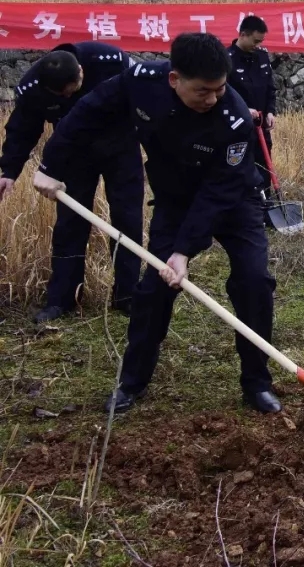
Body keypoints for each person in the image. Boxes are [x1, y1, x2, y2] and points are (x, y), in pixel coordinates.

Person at [32, 33, 281, 415]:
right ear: (174, 79)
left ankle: (257, 384)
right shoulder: (140, 81)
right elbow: (87, 113)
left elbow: (219, 192)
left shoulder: (234, 119)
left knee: (253, 282)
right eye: (203, 91)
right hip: (174, 200)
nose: (213, 98)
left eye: (219, 89)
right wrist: (50, 167)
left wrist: (183, 251)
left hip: (232, 202)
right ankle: (131, 382)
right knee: (153, 292)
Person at [0, 42, 143, 323]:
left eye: (71, 89)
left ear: (81, 71)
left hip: (120, 148)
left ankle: (126, 295)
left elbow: (144, 99)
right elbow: (22, 129)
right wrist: (8, 171)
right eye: (60, 94)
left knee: (127, 220)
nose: (67, 95)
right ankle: (62, 299)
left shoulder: (110, 61)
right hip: (74, 154)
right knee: (70, 225)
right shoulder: (33, 86)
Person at [226, 15, 283, 217]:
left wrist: (270, 111)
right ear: (243, 35)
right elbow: (222, 94)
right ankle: (243, 211)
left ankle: (266, 210)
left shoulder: (261, 57)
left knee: (264, 168)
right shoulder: (227, 59)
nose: (258, 45)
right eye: (256, 41)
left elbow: (270, 88)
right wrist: (243, 109)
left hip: (261, 126)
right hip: (238, 128)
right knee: (240, 169)